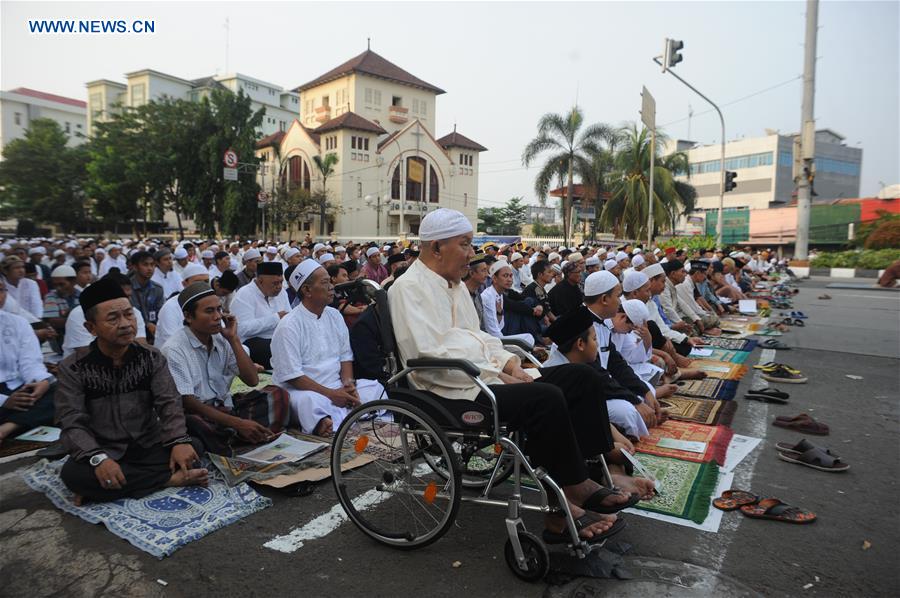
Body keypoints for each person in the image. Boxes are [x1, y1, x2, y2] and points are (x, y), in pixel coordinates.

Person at [390, 208, 654, 542]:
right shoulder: (407, 289)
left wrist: (510, 364)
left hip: (485, 377)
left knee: (581, 378)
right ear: (437, 247)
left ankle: (597, 472)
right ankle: (569, 495)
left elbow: (481, 337)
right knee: (545, 397)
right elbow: (431, 356)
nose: (471, 255)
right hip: (452, 389)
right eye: (465, 245)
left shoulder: (453, 286)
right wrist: (499, 374)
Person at [55, 278, 207, 504]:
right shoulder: (73, 367)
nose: (125, 324)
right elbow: (71, 421)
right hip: (104, 448)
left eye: (129, 314)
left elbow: (169, 403)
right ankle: (167, 479)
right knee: (74, 475)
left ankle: (114, 486)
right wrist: (98, 459)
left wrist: (178, 441)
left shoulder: (151, 357)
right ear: (91, 328)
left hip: (148, 444)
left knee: (193, 447)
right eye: (113, 318)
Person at [162, 282, 289, 453]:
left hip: (226, 409)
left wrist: (233, 339)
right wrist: (238, 423)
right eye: (209, 311)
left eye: (219, 309)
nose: (217, 317)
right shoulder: (174, 349)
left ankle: (232, 437)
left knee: (277, 394)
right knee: (195, 425)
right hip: (199, 413)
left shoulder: (222, 338)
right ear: (189, 316)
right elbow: (188, 402)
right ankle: (237, 435)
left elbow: (252, 380)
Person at [272, 260, 385, 436]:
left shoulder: (334, 315)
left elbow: (345, 357)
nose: (332, 287)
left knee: (375, 388)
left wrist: (348, 386)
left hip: (336, 385)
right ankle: (327, 420)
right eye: (325, 282)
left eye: (330, 282)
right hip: (305, 390)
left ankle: (331, 419)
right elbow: (293, 376)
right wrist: (332, 394)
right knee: (309, 403)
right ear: (307, 290)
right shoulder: (289, 325)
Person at [578, 271, 667, 437]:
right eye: (618, 296)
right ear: (604, 299)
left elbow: (617, 364)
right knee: (628, 411)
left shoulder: (600, 325)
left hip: (599, 384)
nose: (620, 302)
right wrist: (633, 400)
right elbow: (595, 373)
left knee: (642, 395)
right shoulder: (581, 325)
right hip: (583, 391)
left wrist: (643, 391)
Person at [0, 278, 56, 446]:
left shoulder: (18, 323)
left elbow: (30, 362)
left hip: (19, 387)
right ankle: (24, 421)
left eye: (1, 290)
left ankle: (6, 428)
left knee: (61, 390)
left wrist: (42, 382)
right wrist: (4, 401)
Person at [230, 261, 290, 368]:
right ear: (260, 280)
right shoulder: (244, 294)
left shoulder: (282, 293)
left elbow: (289, 318)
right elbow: (242, 329)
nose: (279, 287)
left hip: (279, 337)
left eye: (281, 282)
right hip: (253, 342)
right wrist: (276, 318)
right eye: (275, 283)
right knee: (278, 349)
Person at [153, 263, 210, 349]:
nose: (203, 286)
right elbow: (171, 343)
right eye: (198, 282)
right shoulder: (170, 307)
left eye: (206, 281)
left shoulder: (210, 302)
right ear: (184, 284)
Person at [128, 251, 165, 343]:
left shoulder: (157, 289)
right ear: (135, 267)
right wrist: (147, 324)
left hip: (154, 333)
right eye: (145, 265)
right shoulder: (127, 289)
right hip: (132, 333)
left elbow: (161, 314)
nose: (150, 268)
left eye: (152, 265)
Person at [42, 265, 80, 340]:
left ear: (73, 282)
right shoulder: (51, 297)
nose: (58, 288)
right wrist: (78, 319)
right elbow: (53, 322)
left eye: (61, 284)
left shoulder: (82, 295)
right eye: (55, 285)